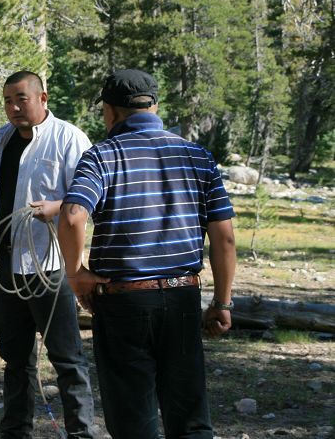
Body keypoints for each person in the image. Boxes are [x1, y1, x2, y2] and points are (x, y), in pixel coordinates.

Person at [57, 69, 236, 439]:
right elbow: (225, 237)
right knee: (190, 419)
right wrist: (222, 301)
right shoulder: (198, 156)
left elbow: (73, 215)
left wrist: (76, 275)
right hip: (182, 296)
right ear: (154, 105)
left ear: (110, 111)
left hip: (125, 303)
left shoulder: (102, 156)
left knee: (133, 421)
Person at [0, 71, 97, 438]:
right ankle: (15, 432)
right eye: (7, 100)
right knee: (15, 360)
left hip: (48, 267)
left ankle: (81, 433)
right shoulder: (1, 140)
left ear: (43, 97)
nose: (13, 108)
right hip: (4, 266)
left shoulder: (70, 139)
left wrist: (58, 207)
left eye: (21, 98)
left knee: (67, 359)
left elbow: (93, 200)